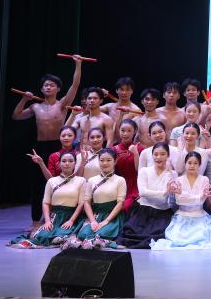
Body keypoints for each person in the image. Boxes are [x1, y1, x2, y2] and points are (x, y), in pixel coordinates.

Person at [12, 55, 85, 233]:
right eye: (45, 85)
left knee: (60, 182)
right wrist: (24, 99)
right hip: (40, 147)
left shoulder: (62, 104)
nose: (48, 87)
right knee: (38, 185)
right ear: (41, 89)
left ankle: (59, 219)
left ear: (58, 89)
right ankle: (35, 221)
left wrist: (78, 64)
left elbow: (75, 85)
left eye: (52, 85)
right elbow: (16, 116)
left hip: (59, 147)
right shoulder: (35, 107)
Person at [10, 150, 86, 248]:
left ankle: (60, 238)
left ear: (75, 163)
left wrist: (71, 221)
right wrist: (47, 221)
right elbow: (45, 202)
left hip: (72, 216)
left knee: (65, 234)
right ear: (59, 164)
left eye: (71, 161)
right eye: (64, 161)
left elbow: (81, 203)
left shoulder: (81, 180)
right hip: (55, 216)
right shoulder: (51, 181)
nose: (67, 163)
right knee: (43, 236)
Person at [151, 152, 211, 250]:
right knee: (177, 239)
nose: (192, 166)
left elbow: (201, 201)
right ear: (185, 164)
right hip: (182, 216)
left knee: (202, 237)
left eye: (195, 163)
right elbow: (179, 201)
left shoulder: (204, 179)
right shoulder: (179, 180)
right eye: (189, 163)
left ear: (199, 165)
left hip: (200, 216)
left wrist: (186, 196)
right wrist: (198, 197)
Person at [118, 142, 176, 249]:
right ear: (152, 155)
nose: (158, 157)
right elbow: (143, 192)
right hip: (144, 211)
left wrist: (170, 174)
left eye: (162, 154)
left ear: (168, 156)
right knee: (131, 235)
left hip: (163, 212)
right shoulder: (144, 171)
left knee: (161, 236)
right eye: (156, 154)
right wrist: (164, 192)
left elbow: (168, 198)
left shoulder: (172, 173)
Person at [71, 148, 127, 249]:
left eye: (109, 160)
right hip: (96, 215)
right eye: (102, 160)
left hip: (112, 216)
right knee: (83, 234)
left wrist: (106, 221)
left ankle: (103, 241)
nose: (105, 163)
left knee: (102, 233)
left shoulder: (120, 180)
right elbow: (87, 202)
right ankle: (97, 242)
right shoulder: (92, 180)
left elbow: (120, 203)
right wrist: (92, 221)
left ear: (115, 161)